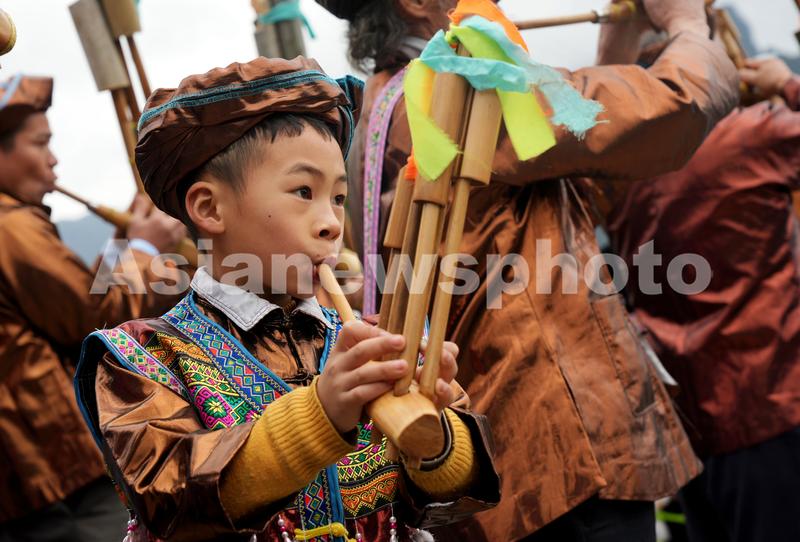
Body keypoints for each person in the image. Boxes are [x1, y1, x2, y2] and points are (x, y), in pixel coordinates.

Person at [315, 0, 740, 540]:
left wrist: (619, 43)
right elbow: (672, 106)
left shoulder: (381, 108)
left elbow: (580, 190)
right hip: (561, 454)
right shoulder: (459, 84)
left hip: (496, 457)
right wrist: (686, 23)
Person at [74, 56, 499, 541]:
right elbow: (171, 500)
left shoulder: (371, 344)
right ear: (210, 208)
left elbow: (451, 501)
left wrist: (434, 436)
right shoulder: (143, 357)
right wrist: (322, 413)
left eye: (338, 198)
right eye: (303, 191)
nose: (332, 224)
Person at [603, 55, 800, 542]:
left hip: (690, 429)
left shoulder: (621, 170)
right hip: (772, 407)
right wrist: (785, 83)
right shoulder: (750, 136)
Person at [0, 74, 188, 541]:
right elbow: (91, 317)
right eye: (40, 143)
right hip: (54, 471)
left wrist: (123, 247)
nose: (53, 159)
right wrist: (145, 250)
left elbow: (67, 301)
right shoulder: (11, 227)